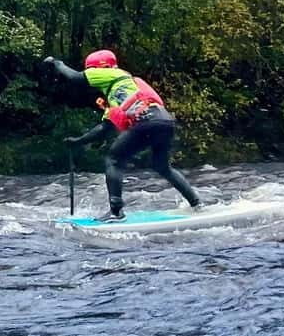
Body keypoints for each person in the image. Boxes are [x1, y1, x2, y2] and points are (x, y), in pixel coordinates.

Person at [43, 49, 202, 221]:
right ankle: (196, 204)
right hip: (164, 121)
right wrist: (78, 141)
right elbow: (105, 128)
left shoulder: (109, 73)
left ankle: (116, 212)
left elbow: (75, 77)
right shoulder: (121, 89)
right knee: (162, 166)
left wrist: (56, 64)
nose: (91, 75)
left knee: (113, 160)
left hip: (146, 120)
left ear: (100, 68)